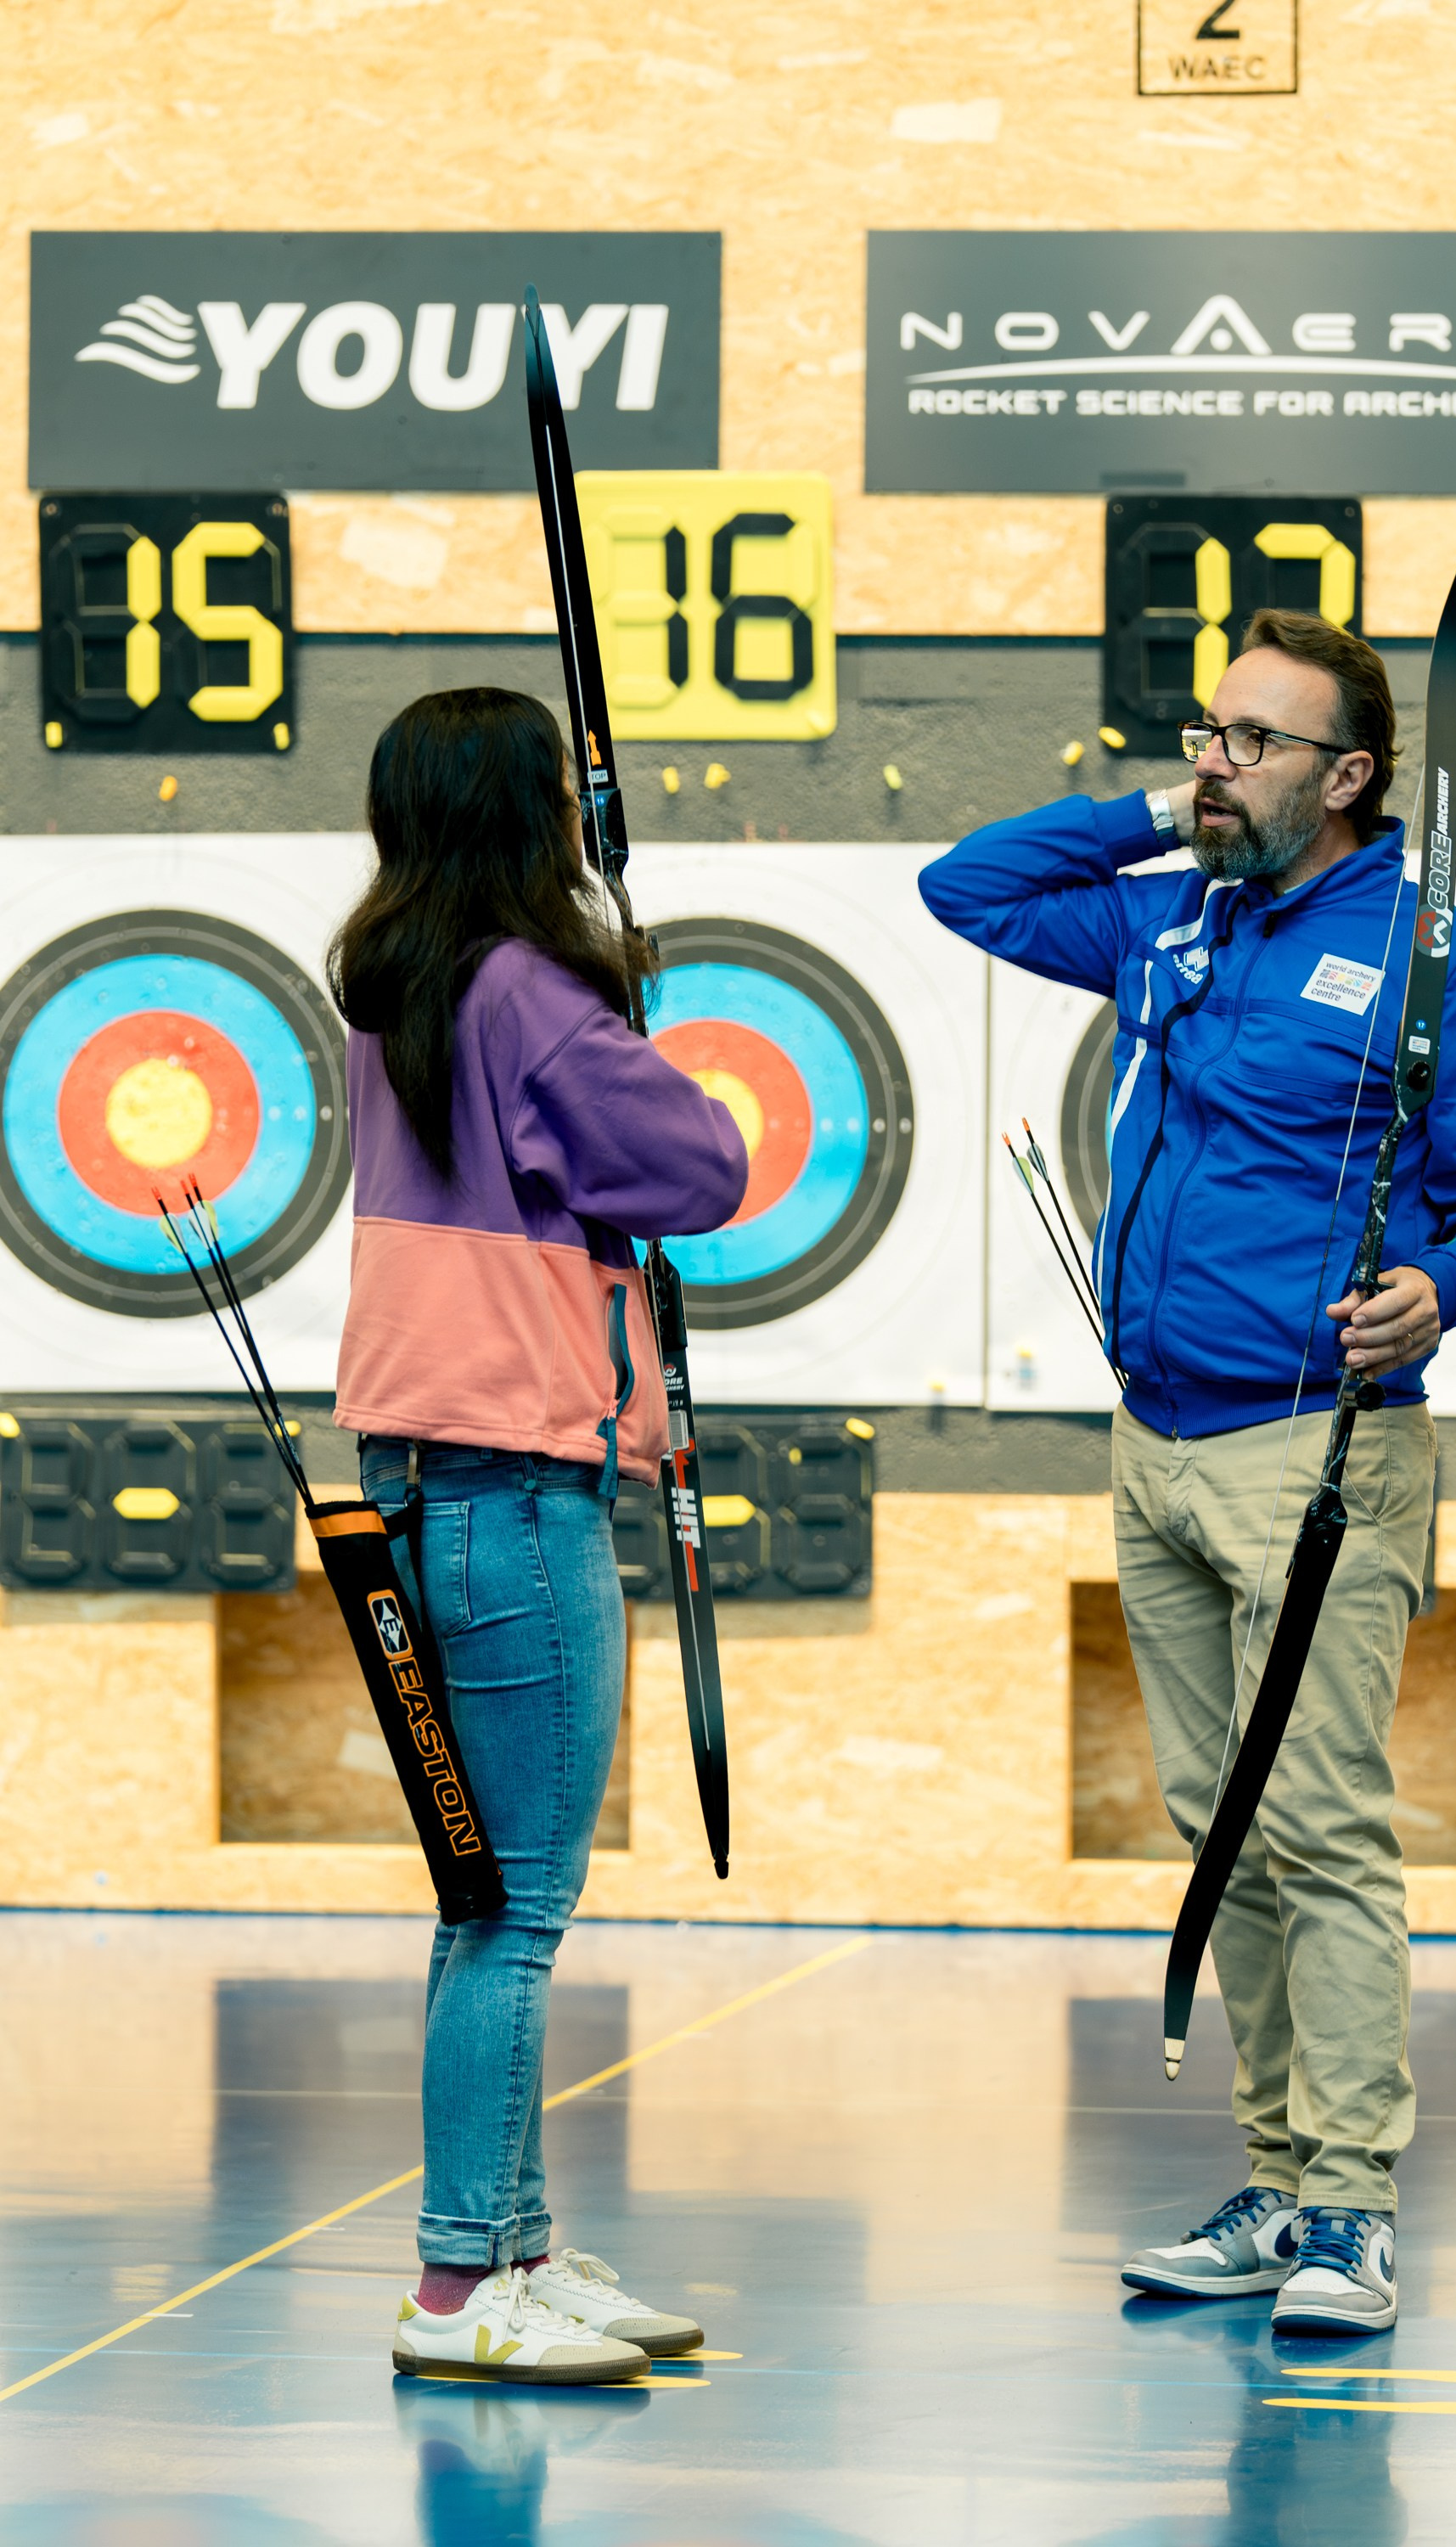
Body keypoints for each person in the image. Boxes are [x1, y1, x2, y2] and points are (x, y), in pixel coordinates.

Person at [920, 611, 1456, 2336]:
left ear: (1351, 777)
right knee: (1222, 1836)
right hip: (1157, 1442)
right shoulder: (1169, 918)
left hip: (1316, 1449)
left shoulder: (1447, 965)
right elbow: (960, 886)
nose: (1220, 761)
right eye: (1211, 730)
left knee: (1322, 1828)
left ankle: (1353, 2210)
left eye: (1258, 743)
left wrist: (1450, 1283)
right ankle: (1279, 2186)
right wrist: (1161, 805)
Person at [329, 687, 748, 2383]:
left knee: (476, 1902)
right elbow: (707, 1164)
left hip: (420, 1488)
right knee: (513, 1912)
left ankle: (510, 2244)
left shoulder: (399, 992)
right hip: (514, 1493)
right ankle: (458, 2286)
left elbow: (563, 1182)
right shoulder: (528, 992)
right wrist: (619, 1008)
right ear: (534, 822)